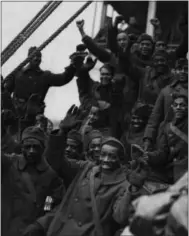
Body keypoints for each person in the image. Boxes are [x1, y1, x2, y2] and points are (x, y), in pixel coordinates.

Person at [24, 132, 139, 236]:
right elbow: (56, 162)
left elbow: (120, 217)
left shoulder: (123, 184)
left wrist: (132, 189)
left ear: (120, 159)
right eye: (103, 154)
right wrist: (62, 132)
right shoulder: (86, 168)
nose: (106, 159)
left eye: (112, 156)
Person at [1, 126, 65, 236]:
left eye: (36, 147)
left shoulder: (51, 175)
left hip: (33, 231)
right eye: (27, 146)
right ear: (21, 147)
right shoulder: (10, 164)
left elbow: (55, 205)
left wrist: (41, 223)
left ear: (43, 148)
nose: (31, 151)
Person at [3, 46, 78, 117]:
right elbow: (6, 93)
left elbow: (62, 79)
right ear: (28, 58)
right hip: (16, 114)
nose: (36, 58)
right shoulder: (17, 73)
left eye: (39, 56)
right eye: (34, 55)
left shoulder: (45, 76)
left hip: (34, 116)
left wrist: (73, 66)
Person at [143, 58, 188, 150]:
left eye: (186, 69)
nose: (182, 72)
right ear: (174, 71)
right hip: (168, 138)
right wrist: (148, 139)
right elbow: (154, 118)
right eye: (179, 69)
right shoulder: (166, 91)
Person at [145, 93, 188, 184]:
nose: (178, 107)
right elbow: (163, 153)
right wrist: (148, 156)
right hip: (174, 168)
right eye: (175, 105)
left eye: (182, 105)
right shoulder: (166, 127)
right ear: (172, 107)